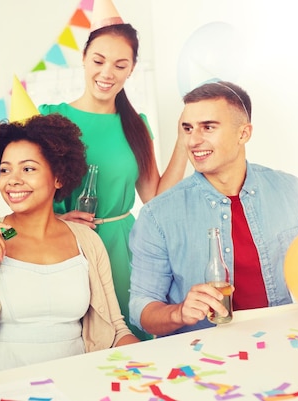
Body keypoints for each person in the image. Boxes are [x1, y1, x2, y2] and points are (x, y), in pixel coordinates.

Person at [0, 114, 140, 377]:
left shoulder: (86, 241)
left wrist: (150, 364)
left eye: (28, 169)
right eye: (5, 170)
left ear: (58, 177)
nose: (13, 180)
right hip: (3, 388)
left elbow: (116, 330)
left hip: (78, 384)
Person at [38, 0, 187, 340]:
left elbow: (156, 199)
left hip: (124, 249)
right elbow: (23, 191)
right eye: (99, 61)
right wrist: (57, 220)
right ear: (84, 58)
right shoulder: (50, 118)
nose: (107, 73)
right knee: (75, 340)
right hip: (64, 245)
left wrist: (183, 142)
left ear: (131, 69)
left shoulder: (137, 126)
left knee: (130, 340)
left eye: (120, 65)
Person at [128, 81, 298, 337]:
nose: (193, 140)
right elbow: (141, 309)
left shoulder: (290, 191)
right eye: (187, 128)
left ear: (243, 134)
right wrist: (178, 312)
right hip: (205, 360)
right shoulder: (157, 216)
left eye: (208, 127)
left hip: (282, 342)